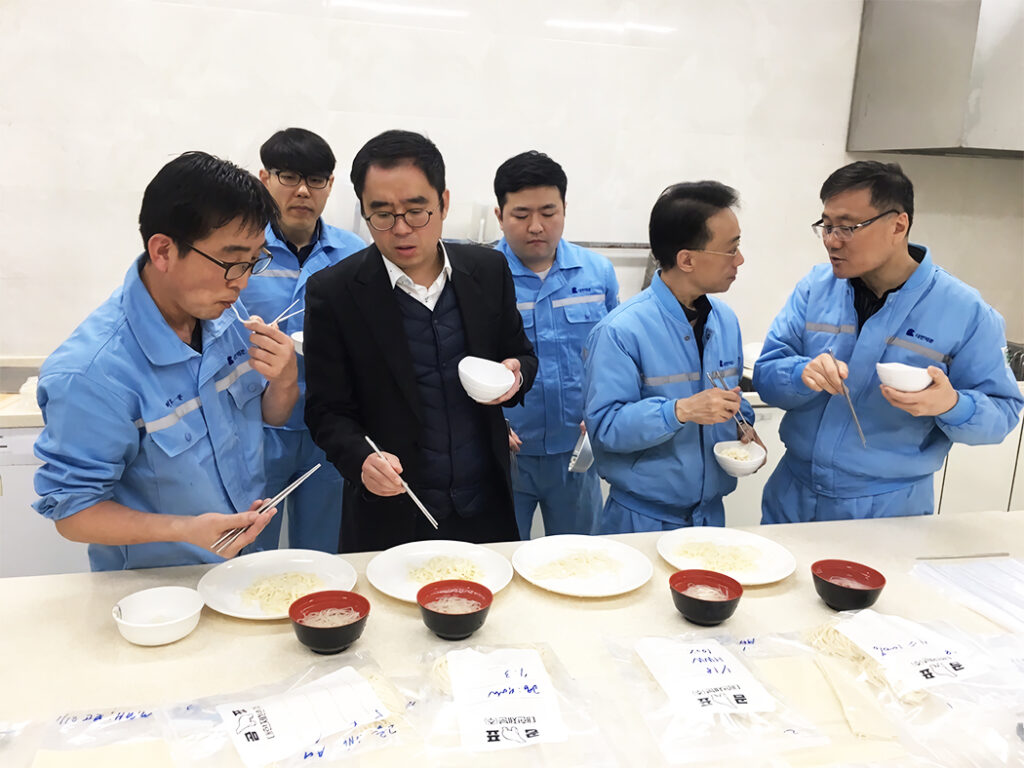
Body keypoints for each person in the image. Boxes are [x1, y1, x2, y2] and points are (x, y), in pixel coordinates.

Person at [33, 152, 299, 571]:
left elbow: (266, 417)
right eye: (231, 261)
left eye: (254, 260)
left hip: (243, 567)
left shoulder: (224, 316)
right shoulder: (93, 372)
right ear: (163, 251)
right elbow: (74, 512)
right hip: (156, 592)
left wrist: (284, 381)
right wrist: (185, 529)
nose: (243, 280)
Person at [304, 130, 538, 552]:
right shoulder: (335, 292)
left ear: (443, 203)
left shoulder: (487, 271)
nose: (401, 230)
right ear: (363, 211)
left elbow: (520, 354)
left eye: (417, 212)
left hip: (484, 509)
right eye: (382, 214)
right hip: (391, 514)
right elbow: (326, 410)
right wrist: (361, 460)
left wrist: (516, 377)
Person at [755, 161, 1023, 523]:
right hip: (792, 493)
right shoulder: (816, 288)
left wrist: (951, 404)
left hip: (887, 509)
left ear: (898, 225)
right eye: (827, 226)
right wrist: (802, 374)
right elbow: (767, 375)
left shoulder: (964, 310)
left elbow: (1003, 413)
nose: (832, 240)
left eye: (848, 227)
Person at [583, 182, 760, 533]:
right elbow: (605, 428)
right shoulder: (621, 331)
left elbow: (730, 402)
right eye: (731, 250)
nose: (739, 260)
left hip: (710, 517)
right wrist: (680, 411)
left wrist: (744, 425)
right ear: (687, 259)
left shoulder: (724, 321)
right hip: (641, 518)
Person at [241, 128, 366, 553]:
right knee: (249, 551)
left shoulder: (353, 254)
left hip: (326, 429)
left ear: (330, 185)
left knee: (323, 551)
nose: (302, 191)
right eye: (289, 176)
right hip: (255, 428)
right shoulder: (245, 251)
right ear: (264, 178)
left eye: (316, 180)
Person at [492, 151, 618, 537]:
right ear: (499, 215)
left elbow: (616, 357)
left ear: (564, 209)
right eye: (520, 214)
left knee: (580, 561)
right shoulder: (479, 277)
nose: (536, 226)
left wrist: (606, 410)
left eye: (548, 212)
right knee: (501, 559)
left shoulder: (597, 273)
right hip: (505, 453)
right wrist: (487, 423)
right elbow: (461, 363)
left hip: (577, 449)